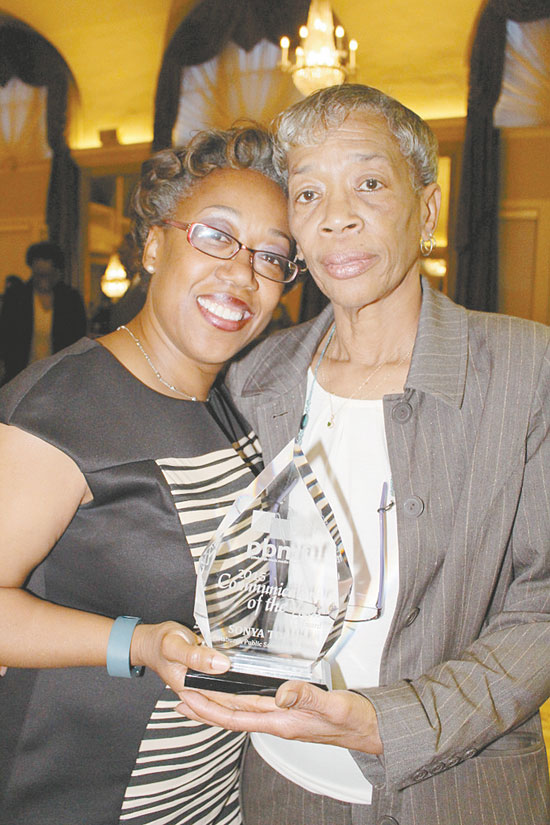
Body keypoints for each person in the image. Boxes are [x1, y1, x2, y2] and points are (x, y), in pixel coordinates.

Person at [176, 85, 550, 825]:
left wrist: (395, 722)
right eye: (309, 192)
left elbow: (542, 602)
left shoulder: (524, 368)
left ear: (429, 210)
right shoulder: (254, 379)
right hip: (279, 784)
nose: (337, 214)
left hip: (460, 790)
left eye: (369, 183)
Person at [0, 125, 299, 825]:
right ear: (156, 243)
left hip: (216, 788)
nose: (242, 274)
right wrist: (135, 641)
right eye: (216, 236)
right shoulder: (61, 406)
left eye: (272, 257)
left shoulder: (237, 400)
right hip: (86, 791)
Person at [0, 241, 87, 383]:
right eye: (39, 276)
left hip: (59, 377)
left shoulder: (70, 300)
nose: (43, 281)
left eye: (47, 276)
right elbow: (5, 337)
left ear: (57, 272)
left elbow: (78, 339)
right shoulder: (16, 298)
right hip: (21, 376)